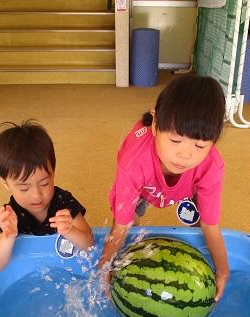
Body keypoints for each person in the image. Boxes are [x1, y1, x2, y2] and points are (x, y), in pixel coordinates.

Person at [97, 74, 230, 302]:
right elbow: (120, 225)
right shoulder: (133, 162)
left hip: (189, 185)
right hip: (144, 183)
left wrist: (222, 271)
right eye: (175, 140)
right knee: (131, 221)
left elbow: (211, 225)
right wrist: (104, 266)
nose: (185, 155)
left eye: (200, 145)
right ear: (156, 124)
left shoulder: (211, 166)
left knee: (200, 220)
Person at [0, 120, 93, 271]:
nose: (37, 196)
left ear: (53, 172)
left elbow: (89, 244)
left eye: (44, 183)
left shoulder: (63, 202)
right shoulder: (10, 215)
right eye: (24, 188)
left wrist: (71, 231)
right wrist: (8, 237)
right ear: (5, 183)